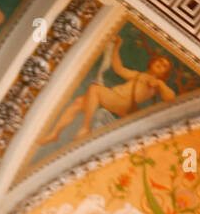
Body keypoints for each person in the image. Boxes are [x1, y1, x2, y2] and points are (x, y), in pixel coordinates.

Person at [38, 36, 176, 145]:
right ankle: (55, 133)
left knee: (95, 89)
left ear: (165, 73)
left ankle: (85, 128)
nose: (160, 64)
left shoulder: (157, 84)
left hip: (122, 103)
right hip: (113, 98)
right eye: (159, 61)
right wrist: (116, 47)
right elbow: (118, 68)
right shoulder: (139, 75)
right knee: (78, 102)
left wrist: (159, 84)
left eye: (164, 66)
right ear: (152, 62)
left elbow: (171, 98)